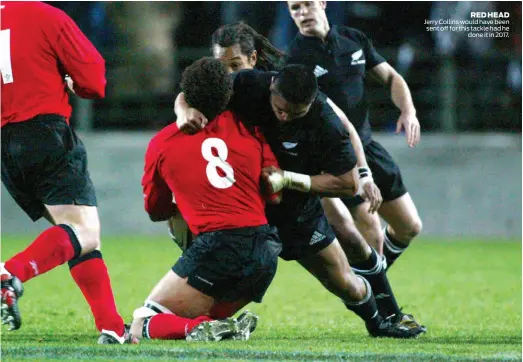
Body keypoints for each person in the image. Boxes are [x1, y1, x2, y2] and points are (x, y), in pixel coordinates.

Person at [174, 63, 424, 338]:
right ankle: (182, 321)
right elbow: (192, 93)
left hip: (296, 211)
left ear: (311, 102)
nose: (284, 117)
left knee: (345, 282)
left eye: (296, 113)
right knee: (211, 270)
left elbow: (346, 182)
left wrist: (290, 179)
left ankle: (380, 322)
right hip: (244, 209)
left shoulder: (324, 120)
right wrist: (183, 111)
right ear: (271, 87)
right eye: (280, 109)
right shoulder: (248, 83)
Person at [0, 2, 126, 344]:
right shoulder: (45, 15)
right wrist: (74, 83)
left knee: (77, 235)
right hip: (45, 131)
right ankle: (10, 274)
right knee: (81, 231)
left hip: (5, 146)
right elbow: (93, 79)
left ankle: (112, 327)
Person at [132, 57, 282, 342]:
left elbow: (156, 210)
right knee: (206, 316)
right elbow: (274, 194)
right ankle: (221, 326)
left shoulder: (163, 143)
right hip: (265, 253)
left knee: (144, 322)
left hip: (219, 250)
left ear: (184, 95)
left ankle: (196, 328)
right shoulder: (249, 127)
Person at [285, 1, 423, 271]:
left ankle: (367, 282)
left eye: (307, 4)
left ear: (323, 3)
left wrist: (408, 111)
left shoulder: (353, 38)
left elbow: (392, 77)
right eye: (294, 8)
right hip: (336, 157)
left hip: (368, 146)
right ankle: (379, 300)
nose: (302, 13)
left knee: (409, 227)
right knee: (370, 227)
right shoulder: (294, 58)